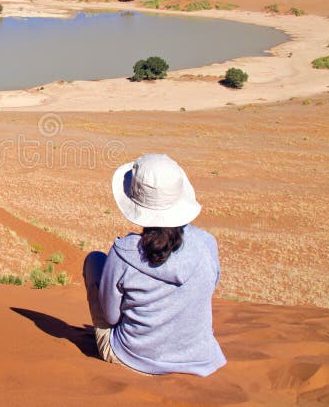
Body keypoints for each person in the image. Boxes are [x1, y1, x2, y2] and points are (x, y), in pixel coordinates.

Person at [83, 153, 226, 376]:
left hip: (132, 357)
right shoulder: (207, 243)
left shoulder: (123, 253)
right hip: (200, 358)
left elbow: (111, 318)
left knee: (93, 261)